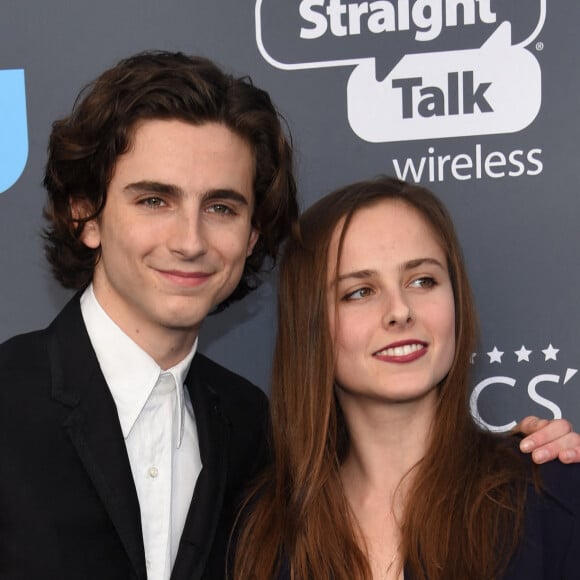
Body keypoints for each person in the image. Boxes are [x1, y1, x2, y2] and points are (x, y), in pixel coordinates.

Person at [0, 51, 297, 580]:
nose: (190, 241)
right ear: (85, 215)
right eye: (155, 200)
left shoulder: (251, 426)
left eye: (221, 208)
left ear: (252, 237)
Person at [233, 177, 580, 579]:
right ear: (308, 326)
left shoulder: (550, 493)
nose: (400, 310)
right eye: (360, 291)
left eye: (422, 281)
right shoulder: (264, 531)